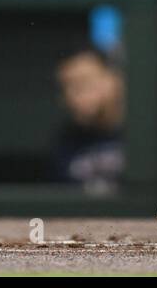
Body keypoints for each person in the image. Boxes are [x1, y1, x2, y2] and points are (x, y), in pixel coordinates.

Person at [52, 48, 125, 193]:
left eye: (83, 82)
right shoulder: (66, 141)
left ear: (114, 81)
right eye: (66, 87)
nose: (72, 96)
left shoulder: (143, 135)